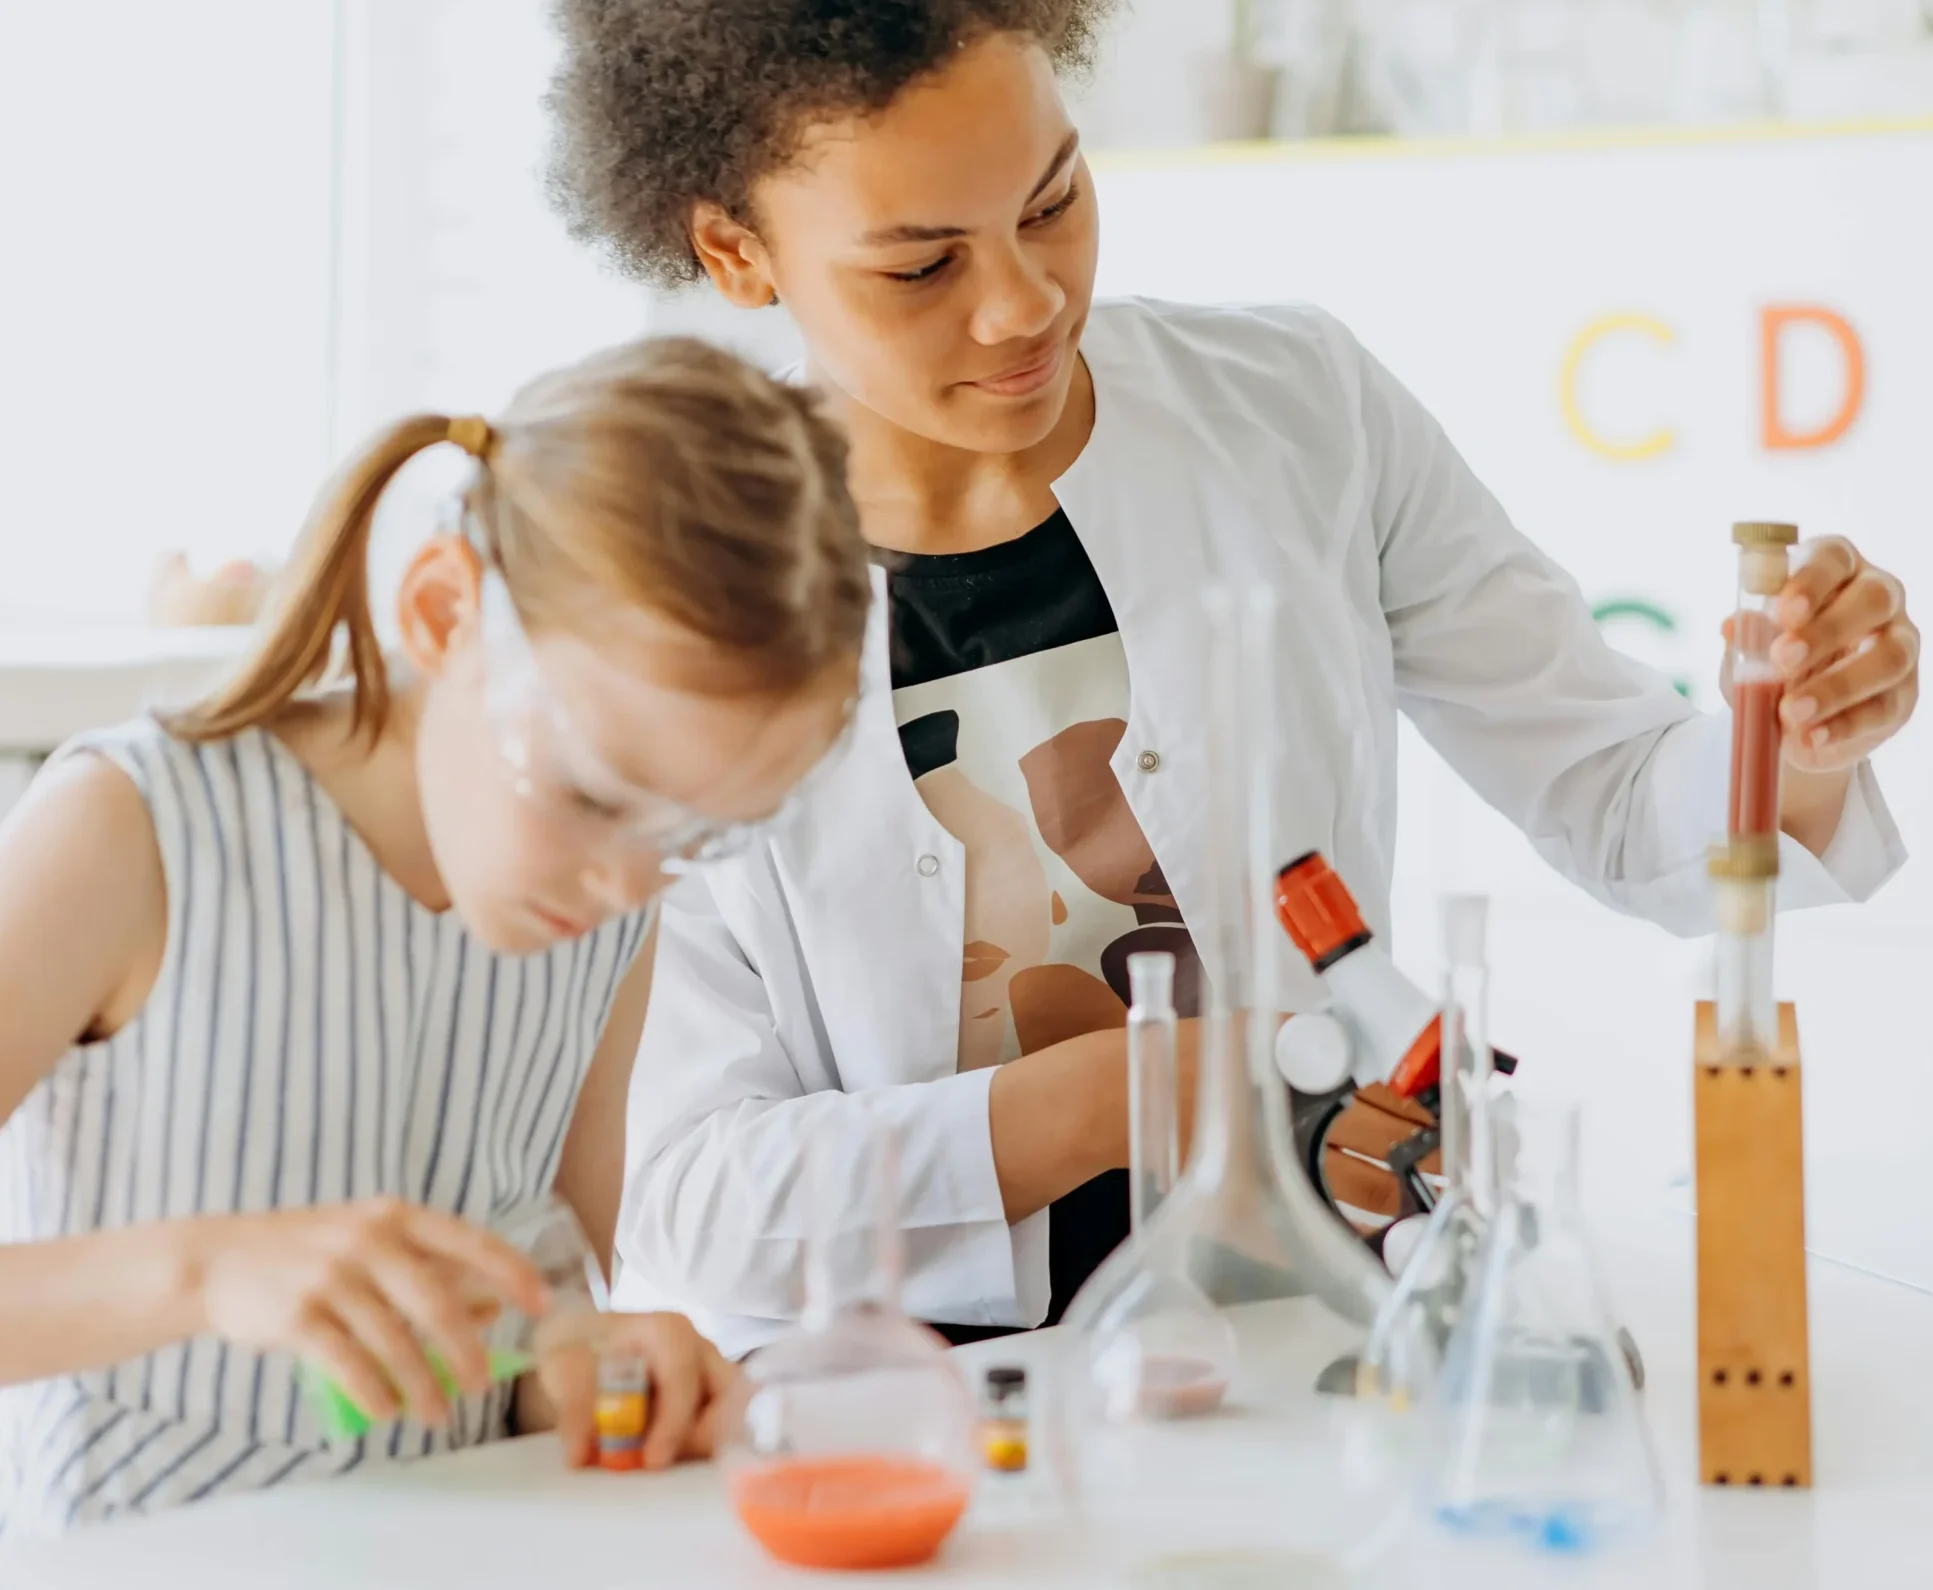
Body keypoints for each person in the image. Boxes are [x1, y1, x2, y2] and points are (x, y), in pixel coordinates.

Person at [546, 0, 1921, 1358]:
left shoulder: (1297, 407)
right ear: (735, 250)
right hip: (904, 1412)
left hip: (1309, 1348)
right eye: (921, 268)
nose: (1023, 301)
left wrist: (1793, 741)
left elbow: (1619, 794)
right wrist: (1126, 1092)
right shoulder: (673, 584)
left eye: (1054, 200)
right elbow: (683, 1199)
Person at [0, 338, 871, 1537]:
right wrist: (201, 1271)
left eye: (699, 838)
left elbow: (539, 1299)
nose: (630, 879)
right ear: (444, 612)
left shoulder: (598, 901)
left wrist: (588, 1358)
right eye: (595, 794)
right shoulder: (129, 829)